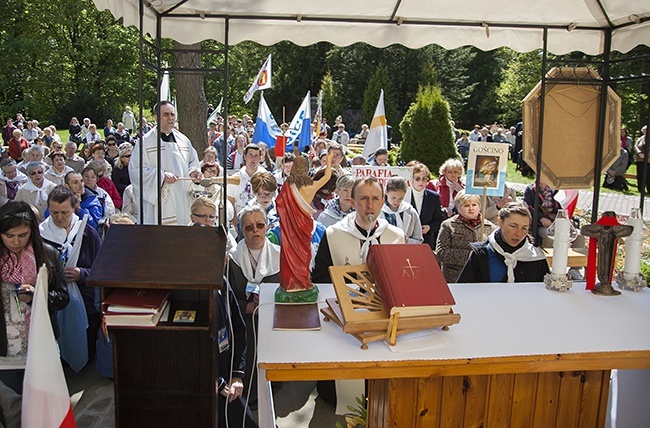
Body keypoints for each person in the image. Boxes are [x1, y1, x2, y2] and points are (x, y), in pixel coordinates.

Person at [0, 201, 69, 393]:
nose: (16, 242)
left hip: (41, 348)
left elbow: (62, 297)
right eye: (9, 236)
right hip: (5, 356)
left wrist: (37, 296)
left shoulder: (48, 255)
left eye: (22, 235)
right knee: (11, 411)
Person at [40, 186, 102, 369]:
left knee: (87, 348)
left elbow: (100, 268)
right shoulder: (41, 235)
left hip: (85, 298)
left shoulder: (86, 232)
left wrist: (81, 273)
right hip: (54, 300)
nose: (59, 217)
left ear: (74, 208)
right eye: (54, 212)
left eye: (64, 212)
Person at [228, 204, 280, 412]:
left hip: (273, 320)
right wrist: (247, 307)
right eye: (249, 227)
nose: (255, 230)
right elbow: (227, 297)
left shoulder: (280, 256)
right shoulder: (231, 258)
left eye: (259, 225)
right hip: (243, 320)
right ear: (241, 230)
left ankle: (272, 387)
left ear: (267, 227)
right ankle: (248, 394)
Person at [312, 176, 406, 284]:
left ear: (382, 203)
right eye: (363, 198)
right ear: (352, 202)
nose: (370, 205)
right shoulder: (333, 235)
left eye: (375, 199)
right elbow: (319, 278)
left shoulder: (396, 236)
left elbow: (402, 278)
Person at [129, 101, 202, 225]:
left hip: (181, 198)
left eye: (172, 114)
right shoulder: (145, 143)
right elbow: (136, 171)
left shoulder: (183, 140)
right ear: (156, 117)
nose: (170, 118)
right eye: (166, 114)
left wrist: (194, 171)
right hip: (159, 201)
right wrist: (161, 176)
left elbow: (192, 161)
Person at [457, 202, 549, 283]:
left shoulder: (536, 258)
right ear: (500, 222)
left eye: (524, 228)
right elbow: (465, 290)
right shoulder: (481, 254)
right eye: (513, 226)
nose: (518, 233)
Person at [436, 191, 497, 283]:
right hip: (455, 277)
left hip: (480, 278)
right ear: (459, 208)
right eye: (466, 206)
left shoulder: (489, 227)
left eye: (474, 205)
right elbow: (441, 253)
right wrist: (468, 255)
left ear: (479, 206)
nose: (471, 208)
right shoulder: (448, 225)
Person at [408, 161, 445, 249]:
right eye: (417, 179)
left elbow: (439, 219)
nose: (421, 182)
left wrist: (429, 227)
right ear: (411, 179)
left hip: (426, 241)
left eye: (424, 179)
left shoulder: (434, 197)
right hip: (407, 241)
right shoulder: (404, 196)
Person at [227, 143, 266, 219]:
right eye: (250, 155)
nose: (253, 159)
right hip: (240, 220)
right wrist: (236, 225)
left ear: (259, 158)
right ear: (245, 156)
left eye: (256, 156)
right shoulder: (234, 178)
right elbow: (230, 202)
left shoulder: (266, 177)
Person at [380, 176, 423, 244]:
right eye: (393, 198)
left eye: (400, 198)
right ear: (386, 192)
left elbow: (419, 239)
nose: (396, 201)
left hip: (405, 251)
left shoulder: (410, 211)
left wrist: (407, 241)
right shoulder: (379, 210)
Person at [523, 179, 561, 245]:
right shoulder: (530, 190)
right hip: (539, 224)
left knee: (579, 237)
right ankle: (550, 255)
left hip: (555, 222)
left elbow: (561, 207)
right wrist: (541, 218)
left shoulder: (555, 190)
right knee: (551, 235)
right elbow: (528, 209)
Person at [634, 125, 649, 195]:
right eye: (644, 130)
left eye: (646, 130)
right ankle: (640, 189)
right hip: (639, 160)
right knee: (640, 174)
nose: (645, 131)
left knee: (648, 175)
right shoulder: (640, 138)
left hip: (648, 160)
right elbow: (636, 146)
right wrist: (639, 153)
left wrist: (646, 155)